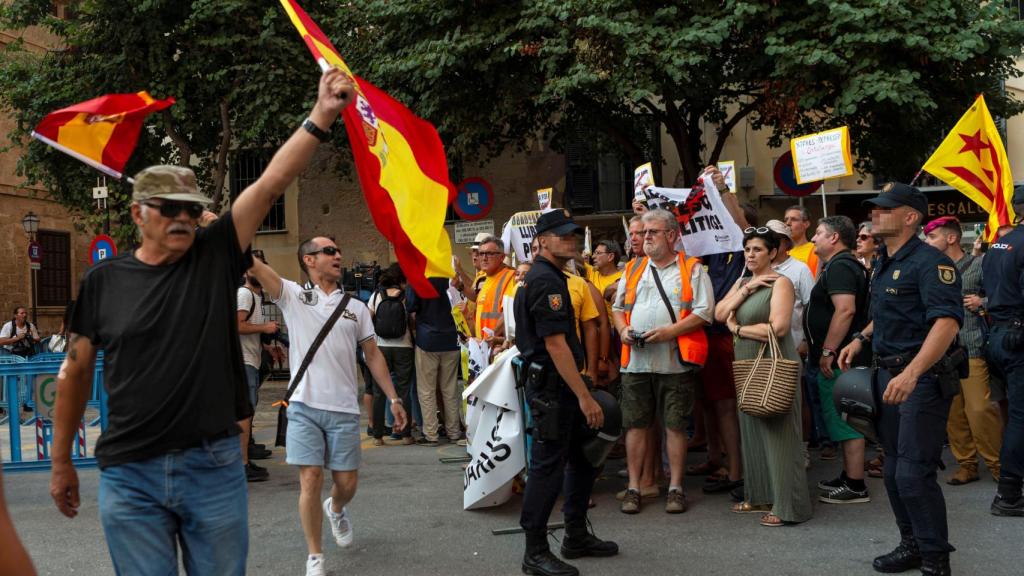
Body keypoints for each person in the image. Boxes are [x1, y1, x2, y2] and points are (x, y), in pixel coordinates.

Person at [48, 69, 355, 576]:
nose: (181, 219)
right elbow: (74, 374)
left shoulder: (215, 257)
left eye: (190, 210)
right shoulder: (104, 280)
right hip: (130, 473)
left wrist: (322, 112)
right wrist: (61, 461)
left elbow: (272, 180)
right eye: (167, 209)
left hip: (211, 467)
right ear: (137, 214)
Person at [252, 236, 408, 576]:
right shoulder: (293, 295)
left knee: (347, 482)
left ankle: (335, 507)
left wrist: (394, 398)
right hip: (303, 406)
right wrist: (221, 228)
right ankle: (315, 557)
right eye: (329, 251)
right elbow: (253, 266)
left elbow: (373, 355)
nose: (338, 255)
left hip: (343, 409)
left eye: (338, 250)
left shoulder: (355, 307)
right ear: (309, 260)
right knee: (310, 478)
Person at [838, 182, 963, 575]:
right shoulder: (885, 259)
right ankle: (912, 544)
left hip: (920, 378)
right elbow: (894, 309)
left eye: (884, 209)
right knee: (892, 470)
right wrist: (861, 337)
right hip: (888, 373)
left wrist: (912, 373)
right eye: (875, 208)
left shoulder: (931, 263)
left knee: (912, 473)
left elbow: (945, 323)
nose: (875, 214)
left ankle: (934, 559)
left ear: (910, 217)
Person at [515, 209, 617, 576]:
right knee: (547, 469)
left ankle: (575, 534)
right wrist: (585, 396)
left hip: (563, 386)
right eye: (561, 235)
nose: (570, 239)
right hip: (555, 390)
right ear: (541, 241)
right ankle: (535, 551)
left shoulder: (554, 276)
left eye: (573, 234)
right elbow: (555, 345)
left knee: (583, 458)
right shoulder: (545, 281)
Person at [612, 208, 713, 515]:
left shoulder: (693, 269)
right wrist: (623, 330)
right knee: (635, 425)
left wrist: (670, 332)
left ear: (671, 235)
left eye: (651, 232)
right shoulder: (632, 269)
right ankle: (634, 487)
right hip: (636, 361)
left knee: (675, 426)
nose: (644, 238)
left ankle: (676, 488)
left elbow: (704, 312)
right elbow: (617, 309)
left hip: (675, 361)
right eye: (642, 233)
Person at [716, 227, 812, 527]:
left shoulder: (780, 283)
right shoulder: (743, 281)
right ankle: (760, 495)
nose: (750, 255)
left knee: (779, 433)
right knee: (753, 430)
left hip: (773, 361)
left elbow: (778, 328)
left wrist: (738, 329)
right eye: (747, 250)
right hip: (747, 363)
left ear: (772, 253)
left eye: (757, 249)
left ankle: (789, 506)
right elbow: (719, 313)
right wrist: (744, 291)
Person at [924, 216, 1003, 486]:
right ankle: (966, 464)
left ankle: (1000, 466)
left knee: (980, 410)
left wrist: (984, 301)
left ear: (951, 238)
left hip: (972, 347)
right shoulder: (930, 269)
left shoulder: (979, 264)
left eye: (932, 237)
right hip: (941, 352)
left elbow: (1006, 294)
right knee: (953, 413)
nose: (927, 243)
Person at [805, 216, 872, 504]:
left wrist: (828, 350)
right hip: (839, 357)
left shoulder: (842, 266)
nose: (813, 239)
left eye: (818, 233)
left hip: (840, 359)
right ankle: (848, 475)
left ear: (834, 238)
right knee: (840, 418)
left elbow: (844, 311)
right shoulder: (839, 265)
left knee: (847, 420)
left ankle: (856, 485)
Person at [765, 219, 833, 463]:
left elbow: (811, 306)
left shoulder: (799, 269)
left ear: (784, 243)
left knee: (797, 399)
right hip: (763, 347)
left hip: (793, 344)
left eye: (773, 238)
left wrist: (806, 341)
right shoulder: (754, 267)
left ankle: (802, 447)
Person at [981, 184, 1024, 517]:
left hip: (997, 335)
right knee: (1020, 418)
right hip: (1015, 336)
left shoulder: (998, 244)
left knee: (1015, 416)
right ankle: (1009, 494)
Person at [407, 276, 462, 448]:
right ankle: (454, 432)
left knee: (426, 389)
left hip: (427, 339)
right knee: (450, 388)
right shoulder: (450, 277)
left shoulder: (419, 278)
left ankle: (431, 434)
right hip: (451, 338)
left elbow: (410, 306)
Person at [237, 259, 278, 482]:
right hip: (243, 361)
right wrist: (266, 327)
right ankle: (241, 464)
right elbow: (238, 325)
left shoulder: (254, 296)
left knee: (248, 412)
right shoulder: (244, 294)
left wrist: (267, 346)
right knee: (244, 412)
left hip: (250, 359)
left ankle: (245, 457)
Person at [367, 264, 416, 446]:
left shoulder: (376, 295)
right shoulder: (406, 296)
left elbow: (367, 317)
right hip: (404, 347)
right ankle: (405, 434)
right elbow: (412, 320)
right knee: (404, 389)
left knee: (379, 391)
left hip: (381, 347)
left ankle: (378, 436)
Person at [474, 235, 516, 344]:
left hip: (498, 346)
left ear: (502, 257)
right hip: (484, 346)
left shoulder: (510, 277)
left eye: (489, 253)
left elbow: (508, 312)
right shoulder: (487, 277)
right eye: (481, 253)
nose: (484, 258)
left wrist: (490, 337)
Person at [784, 205, 819, 277]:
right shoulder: (781, 251)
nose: (788, 223)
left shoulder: (816, 250)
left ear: (806, 224)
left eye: (793, 219)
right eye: (785, 220)